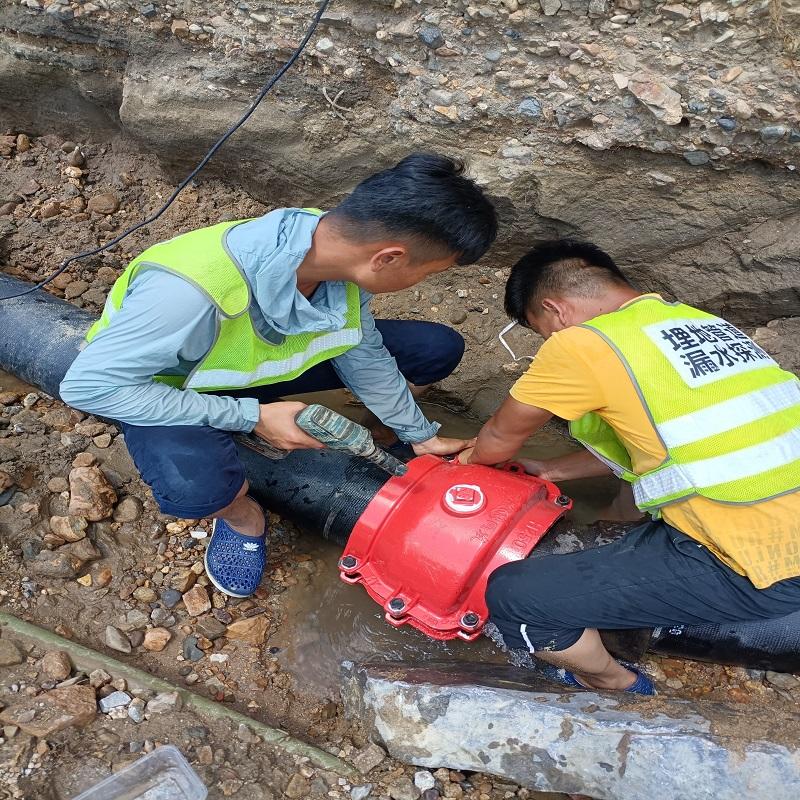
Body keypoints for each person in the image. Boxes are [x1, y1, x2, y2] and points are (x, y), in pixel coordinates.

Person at [60, 153, 497, 599]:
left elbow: (360, 349)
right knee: (197, 492)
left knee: (433, 349)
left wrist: (417, 433)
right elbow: (89, 387)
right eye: (429, 272)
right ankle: (242, 517)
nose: (422, 282)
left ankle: (384, 434)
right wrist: (252, 417)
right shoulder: (187, 292)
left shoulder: (333, 251)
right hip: (174, 386)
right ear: (388, 257)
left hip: (255, 366)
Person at [462, 239, 800, 695]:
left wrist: (465, 459)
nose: (549, 342)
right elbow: (688, 443)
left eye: (542, 331)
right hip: (775, 521)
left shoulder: (583, 343)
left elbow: (500, 438)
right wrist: (551, 470)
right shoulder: (698, 325)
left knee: (515, 597)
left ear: (555, 310)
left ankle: (614, 682)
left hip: (762, 564)